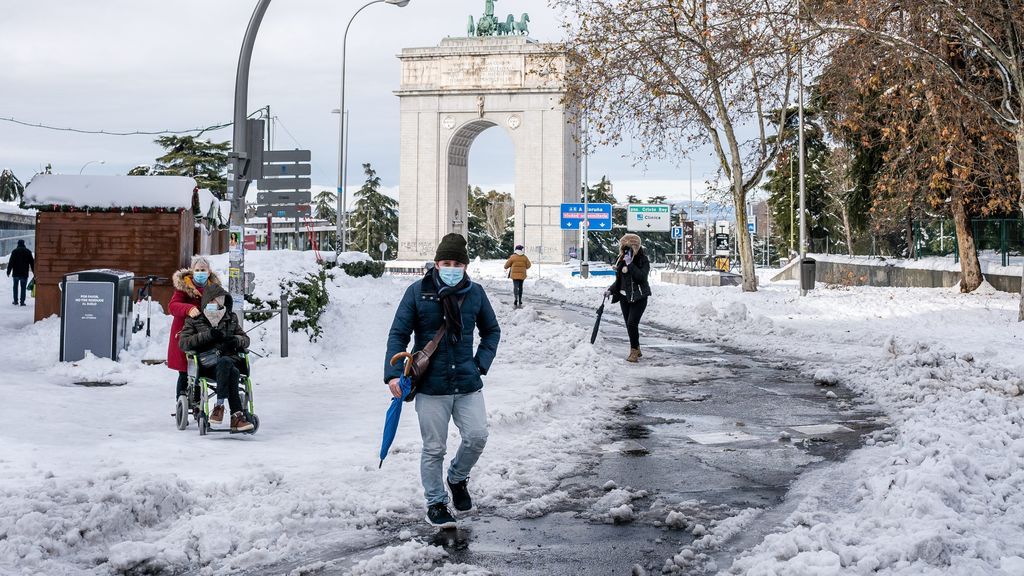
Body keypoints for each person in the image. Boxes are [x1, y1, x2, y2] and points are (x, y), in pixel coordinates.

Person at [385, 233, 501, 528]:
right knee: (434, 448)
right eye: (446, 262)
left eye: (457, 263)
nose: (451, 268)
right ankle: (436, 502)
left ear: (464, 266)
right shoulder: (416, 292)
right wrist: (392, 374)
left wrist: (480, 365)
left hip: (467, 382)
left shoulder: (475, 294)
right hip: (431, 386)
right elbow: (398, 334)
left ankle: (457, 478)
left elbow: (492, 332)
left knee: (477, 437)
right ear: (437, 264)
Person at [178, 284, 253, 432]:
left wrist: (236, 340)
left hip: (228, 359)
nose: (215, 304)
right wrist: (208, 335)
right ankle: (236, 417)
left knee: (227, 364)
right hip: (207, 364)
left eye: (218, 301)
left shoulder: (230, 318)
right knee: (233, 372)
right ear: (206, 301)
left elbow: (245, 339)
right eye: (212, 301)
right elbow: (184, 343)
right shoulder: (195, 320)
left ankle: (219, 407)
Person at [168, 257, 221, 406]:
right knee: (185, 371)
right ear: (192, 271)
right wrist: (188, 308)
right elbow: (172, 306)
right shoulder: (184, 287)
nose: (200, 273)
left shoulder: (215, 289)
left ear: (209, 272)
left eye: (203, 270)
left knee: (201, 369)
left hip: (205, 334)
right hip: (185, 333)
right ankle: (181, 401)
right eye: (197, 270)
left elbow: (224, 306)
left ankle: (198, 403)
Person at [605, 233, 651, 363]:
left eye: (629, 248)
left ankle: (634, 351)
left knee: (632, 323)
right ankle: (636, 346)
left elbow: (641, 277)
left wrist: (631, 264)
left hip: (639, 297)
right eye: (624, 248)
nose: (626, 251)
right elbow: (620, 280)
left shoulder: (643, 260)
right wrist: (610, 290)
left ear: (635, 247)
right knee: (629, 325)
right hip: (624, 297)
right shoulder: (621, 260)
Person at [7, 239, 34, 306]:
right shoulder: (28, 252)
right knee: (23, 288)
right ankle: (22, 302)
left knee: (15, 287)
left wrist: (8, 271)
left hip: (16, 273)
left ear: (18, 244)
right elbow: (32, 263)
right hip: (24, 274)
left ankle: (15, 301)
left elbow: (11, 262)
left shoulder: (14, 251)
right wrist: (34, 272)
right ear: (24, 244)